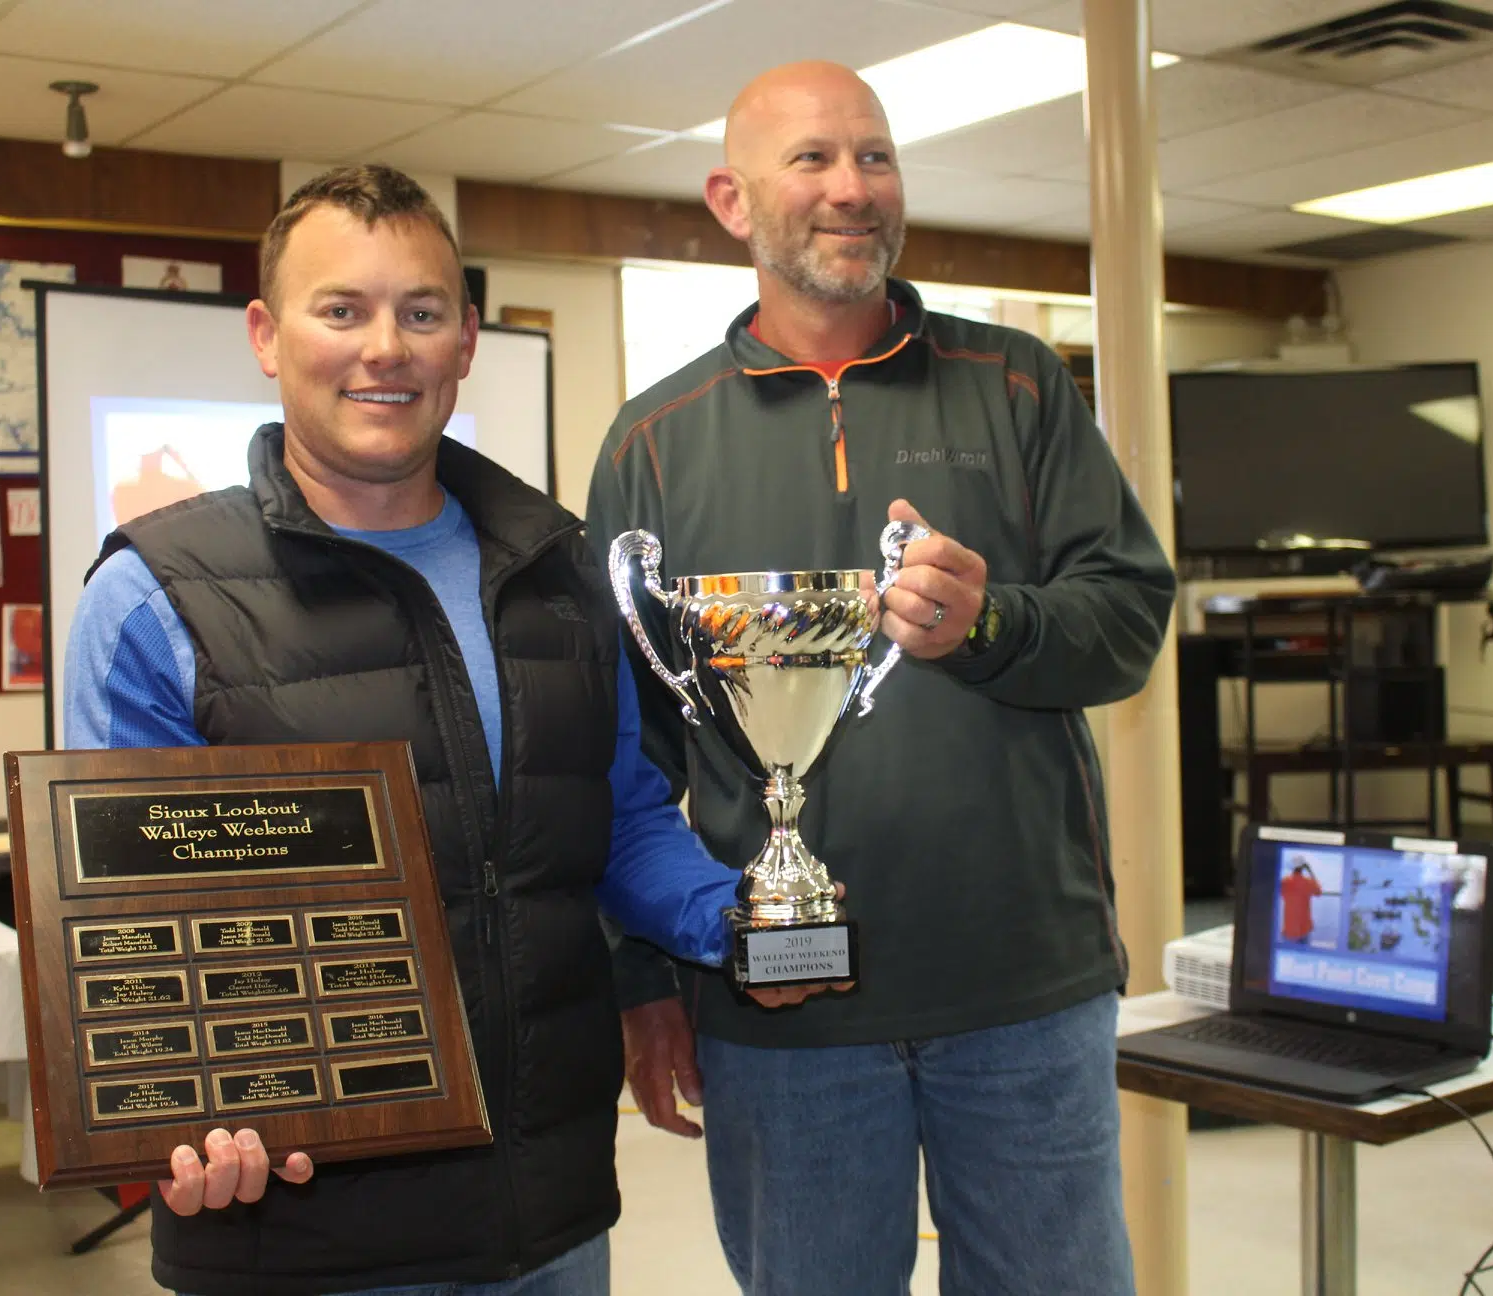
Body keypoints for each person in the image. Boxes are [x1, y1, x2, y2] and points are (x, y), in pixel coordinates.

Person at [63, 164, 745, 1296]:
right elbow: (126, 925)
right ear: (266, 335)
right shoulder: (156, 599)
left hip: (549, 1224)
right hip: (297, 1233)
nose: (386, 347)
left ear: (466, 341)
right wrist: (179, 1120)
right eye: (342, 309)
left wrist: (750, 920)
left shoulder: (563, 574)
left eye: (421, 312)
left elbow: (619, 826)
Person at [585, 62, 1177, 1295]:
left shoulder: (1018, 387)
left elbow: (1128, 620)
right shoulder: (653, 441)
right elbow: (625, 749)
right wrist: (646, 980)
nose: (852, 190)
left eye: (875, 156)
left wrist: (993, 620)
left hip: (1020, 986)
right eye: (811, 160)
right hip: (782, 1011)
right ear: (731, 200)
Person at [1281, 861, 1323, 944]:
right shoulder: (1308, 882)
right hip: (1305, 929)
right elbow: (1319, 892)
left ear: (1292, 868)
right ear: (1303, 868)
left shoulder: (1285, 882)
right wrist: (1310, 871)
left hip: (1289, 929)